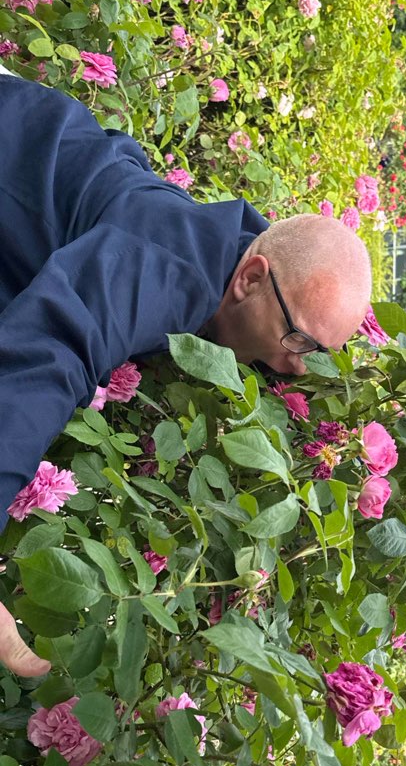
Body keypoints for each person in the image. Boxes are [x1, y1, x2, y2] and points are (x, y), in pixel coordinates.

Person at [0, 71, 372, 677]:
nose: (297, 366)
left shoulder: (243, 264)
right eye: (299, 341)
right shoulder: (170, 268)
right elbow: (54, 350)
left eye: (316, 353)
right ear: (250, 278)